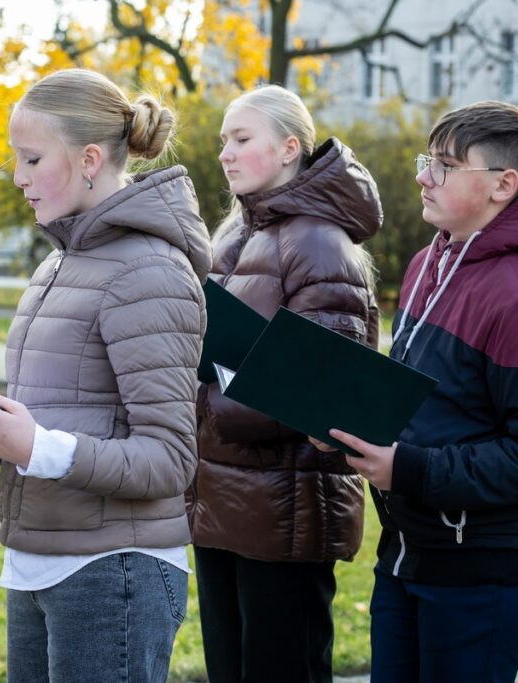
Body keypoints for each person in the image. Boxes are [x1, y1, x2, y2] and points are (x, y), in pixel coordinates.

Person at [0, 68, 212, 682]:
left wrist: (40, 447)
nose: (18, 177)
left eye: (32, 158)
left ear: (90, 159)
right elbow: (59, 424)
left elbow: (171, 460)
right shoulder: (59, 265)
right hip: (39, 559)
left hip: (114, 572)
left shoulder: (149, 271)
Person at [317, 101, 518, 682]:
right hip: (411, 550)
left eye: (443, 165)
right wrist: (345, 420)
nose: (423, 176)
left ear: (502, 184)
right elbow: (422, 403)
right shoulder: (427, 263)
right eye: (426, 160)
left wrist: (409, 470)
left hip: (484, 569)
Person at [186, 84, 382, 683]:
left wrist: (212, 394)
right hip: (221, 500)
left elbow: (326, 392)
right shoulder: (230, 237)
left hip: (286, 512)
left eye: (242, 139)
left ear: (290, 147)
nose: (226, 153)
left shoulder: (320, 244)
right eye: (223, 141)